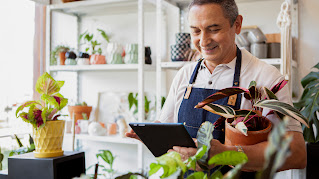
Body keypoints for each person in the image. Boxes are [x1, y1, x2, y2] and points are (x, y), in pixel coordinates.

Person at [127, 0, 306, 176]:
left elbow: (296, 154)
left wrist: (222, 154)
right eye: (196, 31)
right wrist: (151, 134)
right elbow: (167, 129)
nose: (203, 41)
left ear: (237, 24)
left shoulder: (266, 77)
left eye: (214, 29)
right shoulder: (184, 75)